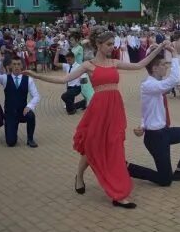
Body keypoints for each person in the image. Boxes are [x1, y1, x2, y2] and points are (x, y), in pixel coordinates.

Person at [23, 29, 168, 209]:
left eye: (112, 44)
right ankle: (80, 175)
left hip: (115, 109)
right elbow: (64, 80)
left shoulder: (115, 62)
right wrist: (37, 76)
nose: (111, 47)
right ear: (98, 44)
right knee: (92, 146)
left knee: (115, 147)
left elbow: (140, 64)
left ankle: (119, 193)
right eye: (108, 44)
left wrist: (160, 47)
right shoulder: (88, 65)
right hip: (98, 110)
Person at [128, 46, 180, 186]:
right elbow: (174, 80)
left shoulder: (156, 84)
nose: (166, 67)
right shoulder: (149, 85)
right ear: (154, 68)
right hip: (155, 138)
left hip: (164, 132)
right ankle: (128, 168)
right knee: (165, 180)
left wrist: (143, 125)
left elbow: (147, 110)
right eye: (163, 64)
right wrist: (174, 54)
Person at [0, 50, 40, 148]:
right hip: (10, 113)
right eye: (14, 64)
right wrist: (0, 60)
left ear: (22, 66)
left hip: (22, 111)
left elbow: (36, 95)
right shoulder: (4, 78)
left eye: (18, 64)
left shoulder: (28, 79)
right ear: (10, 66)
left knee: (31, 115)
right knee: (11, 143)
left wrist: (29, 106)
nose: (16, 66)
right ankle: (11, 130)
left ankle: (30, 139)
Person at [53, 50, 86, 115]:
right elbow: (55, 63)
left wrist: (85, 91)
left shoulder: (79, 67)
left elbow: (84, 80)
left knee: (64, 96)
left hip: (77, 88)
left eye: (69, 60)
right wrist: (57, 52)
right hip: (69, 87)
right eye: (67, 60)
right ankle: (83, 103)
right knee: (69, 111)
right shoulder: (67, 65)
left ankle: (78, 105)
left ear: (74, 58)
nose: (68, 62)